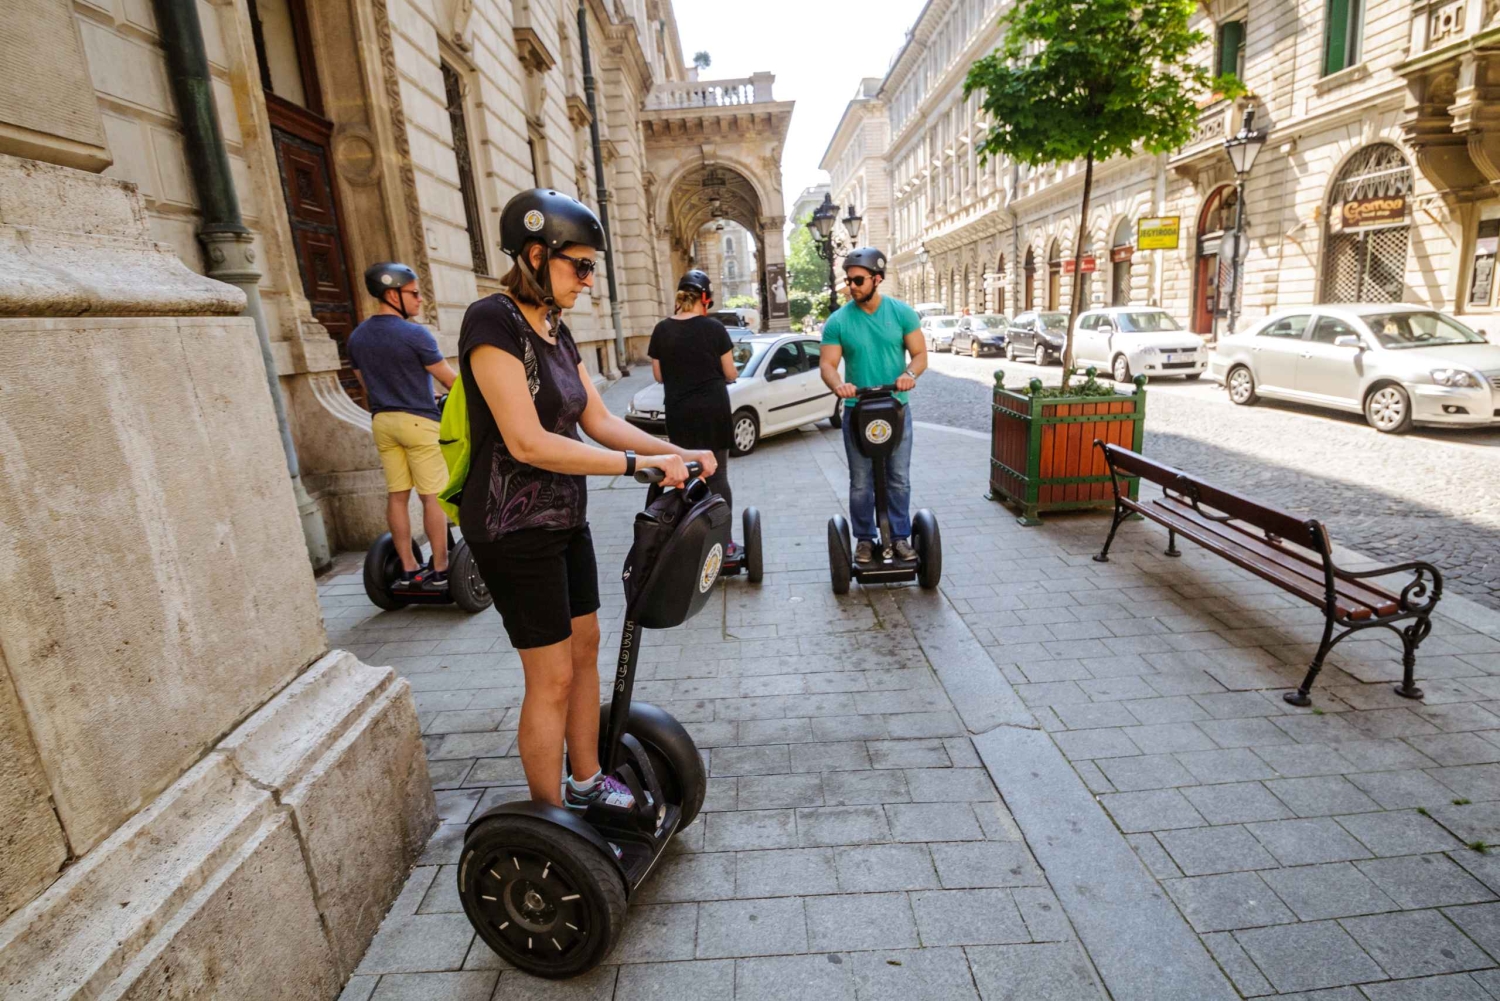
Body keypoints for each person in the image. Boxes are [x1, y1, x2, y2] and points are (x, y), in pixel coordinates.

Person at [459, 188, 716, 818]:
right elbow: (527, 440)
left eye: (593, 268)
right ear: (536, 254)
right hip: (511, 527)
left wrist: (673, 450)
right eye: (581, 266)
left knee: (585, 649)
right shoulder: (491, 322)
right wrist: (638, 466)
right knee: (550, 678)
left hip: (563, 519)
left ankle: (587, 779)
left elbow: (596, 419)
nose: (589, 280)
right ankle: (553, 822)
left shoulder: (555, 329)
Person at [348, 262, 458, 590]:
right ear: (392, 293)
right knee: (432, 497)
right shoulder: (414, 334)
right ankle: (440, 568)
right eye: (413, 293)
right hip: (419, 423)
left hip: (383, 422)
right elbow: (450, 381)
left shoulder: (357, 337)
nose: (419, 299)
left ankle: (409, 568)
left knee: (397, 495)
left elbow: (365, 383)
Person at [817, 247, 928, 564]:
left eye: (858, 280)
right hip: (857, 409)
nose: (851, 286)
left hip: (895, 407)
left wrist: (908, 374)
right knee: (861, 481)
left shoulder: (901, 313)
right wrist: (838, 384)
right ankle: (865, 540)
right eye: (848, 280)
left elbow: (920, 355)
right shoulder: (838, 321)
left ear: (876, 279)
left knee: (898, 478)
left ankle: (900, 537)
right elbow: (827, 364)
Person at [647, 270, 739, 549]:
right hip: (714, 410)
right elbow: (731, 373)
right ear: (705, 299)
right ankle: (723, 542)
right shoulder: (715, 329)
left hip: (680, 412)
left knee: (683, 472)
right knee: (718, 474)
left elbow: (658, 376)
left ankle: (688, 540)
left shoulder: (662, 329)